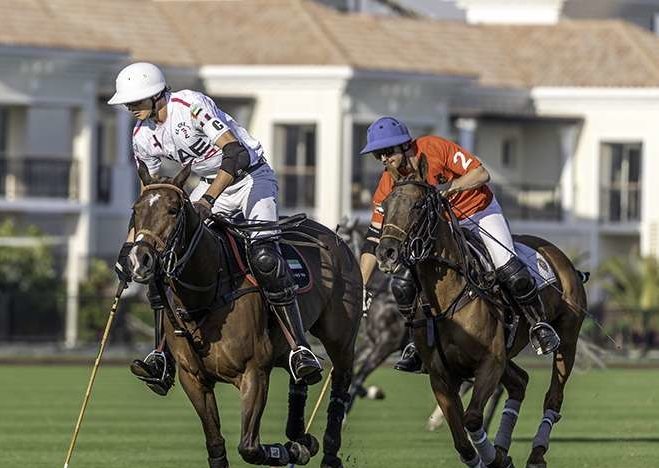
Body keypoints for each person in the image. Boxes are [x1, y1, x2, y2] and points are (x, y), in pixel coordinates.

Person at [108, 62, 323, 395]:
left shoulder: (189, 105)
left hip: (251, 178)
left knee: (265, 256)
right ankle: (162, 355)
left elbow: (234, 154)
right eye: (128, 103)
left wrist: (207, 200)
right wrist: (131, 244)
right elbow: (148, 197)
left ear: (155, 95)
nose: (130, 108)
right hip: (209, 185)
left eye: (135, 101)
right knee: (167, 260)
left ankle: (298, 347)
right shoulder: (142, 136)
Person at [357, 116, 560, 373]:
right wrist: (361, 284)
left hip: (480, 213)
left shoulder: (434, 148)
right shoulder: (388, 183)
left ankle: (539, 325)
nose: (384, 160)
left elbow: (481, 173)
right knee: (405, 283)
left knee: (508, 267)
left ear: (403, 146)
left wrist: (447, 189)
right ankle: (414, 343)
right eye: (378, 156)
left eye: (386, 153)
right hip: (445, 229)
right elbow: (374, 236)